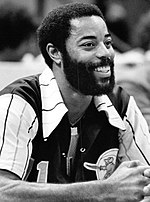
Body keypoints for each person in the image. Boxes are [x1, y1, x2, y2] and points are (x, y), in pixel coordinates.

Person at [0, 3, 150, 202]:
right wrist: (104, 190)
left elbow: (144, 181)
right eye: (89, 44)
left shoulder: (120, 102)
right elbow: (3, 191)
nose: (105, 53)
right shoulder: (19, 102)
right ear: (55, 53)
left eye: (107, 42)